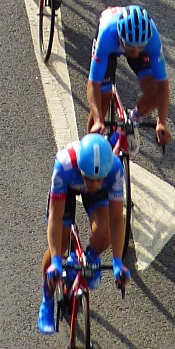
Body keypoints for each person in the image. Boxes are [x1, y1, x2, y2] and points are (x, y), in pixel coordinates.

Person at [38, 132, 128, 335]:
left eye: (98, 179)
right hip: (67, 189)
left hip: (96, 195)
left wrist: (117, 261)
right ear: (80, 167)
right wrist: (56, 260)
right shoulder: (64, 164)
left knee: (103, 232)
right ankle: (47, 299)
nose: (94, 183)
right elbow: (55, 217)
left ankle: (91, 258)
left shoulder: (114, 169)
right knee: (60, 245)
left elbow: (116, 219)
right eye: (89, 178)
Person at [86, 5, 171, 148]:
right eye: (131, 47)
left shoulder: (152, 40)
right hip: (111, 46)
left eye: (140, 47)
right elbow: (93, 84)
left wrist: (161, 121)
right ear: (121, 36)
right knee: (103, 100)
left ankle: (134, 118)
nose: (135, 52)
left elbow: (163, 85)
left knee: (153, 93)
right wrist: (99, 120)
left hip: (132, 42)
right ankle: (89, 146)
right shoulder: (106, 35)